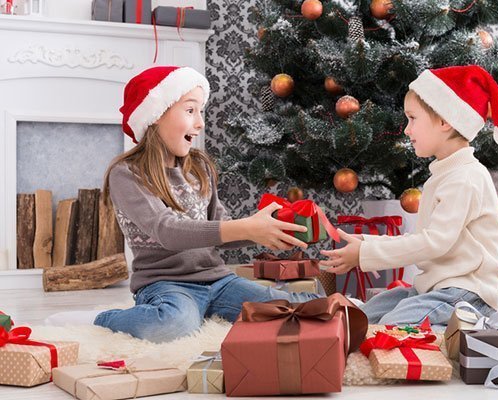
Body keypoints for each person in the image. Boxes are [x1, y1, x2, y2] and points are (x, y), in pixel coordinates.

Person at [46, 66, 320, 342]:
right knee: (173, 325)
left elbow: (220, 232)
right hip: (165, 283)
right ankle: (100, 320)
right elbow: (167, 231)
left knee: (290, 306)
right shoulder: (127, 174)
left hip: (219, 281)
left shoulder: (200, 167)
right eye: (190, 111)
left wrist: (261, 230)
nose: (200, 123)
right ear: (155, 116)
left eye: (200, 111)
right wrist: (247, 228)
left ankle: (354, 309)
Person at [321, 65, 498, 326]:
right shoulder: (445, 173)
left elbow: (434, 243)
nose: (406, 130)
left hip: (466, 293)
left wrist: (366, 254)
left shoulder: (464, 178)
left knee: (389, 328)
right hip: (436, 289)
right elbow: (423, 239)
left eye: (412, 118)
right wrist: (367, 243)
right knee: (366, 315)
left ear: (445, 121)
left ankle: (470, 326)